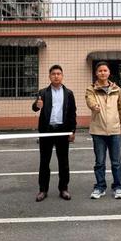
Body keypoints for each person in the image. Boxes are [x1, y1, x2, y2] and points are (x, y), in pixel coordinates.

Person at [32, 64, 77, 202]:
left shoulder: (68, 93)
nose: (56, 76)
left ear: (62, 76)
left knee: (63, 162)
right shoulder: (43, 92)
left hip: (62, 131)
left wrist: (72, 131)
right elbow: (35, 108)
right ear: (49, 76)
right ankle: (43, 190)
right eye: (53, 74)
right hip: (47, 131)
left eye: (58, 74)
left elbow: (72, 113)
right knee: (44, 162)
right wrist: (37, 105)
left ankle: (63, 189)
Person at [85, 61, 121, 200]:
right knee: (99, 162)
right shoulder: (91, 89)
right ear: (96, 73)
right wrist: (94, 106)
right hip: (98, 131)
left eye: (105, 70)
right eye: (100, 71)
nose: (102, 73)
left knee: (116, 162)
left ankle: (118, 187)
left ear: (109, 73)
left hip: (114, 130)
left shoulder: (117, 90)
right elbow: (90, 100)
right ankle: (100, 187)